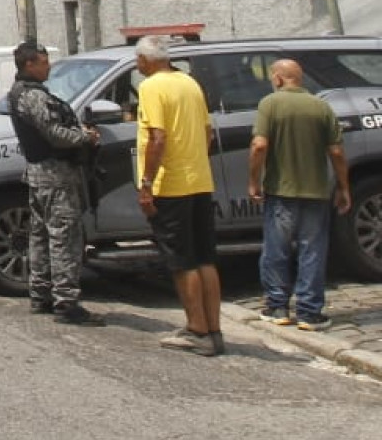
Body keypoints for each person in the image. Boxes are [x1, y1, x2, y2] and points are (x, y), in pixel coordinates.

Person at [134, 36, 223, 356]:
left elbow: (158, 137)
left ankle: (197, 329)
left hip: (171, 183)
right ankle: (213, 327)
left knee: (181, 259)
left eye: (138, 59)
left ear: (148, 59)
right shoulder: (189, 83)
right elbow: (206, 132)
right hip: (199, 179)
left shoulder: (151, 88)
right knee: (204, 257)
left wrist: (147, 183)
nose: (136, 64)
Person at [247, 58, 351, 331]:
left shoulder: (270, 104)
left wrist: (253, 180)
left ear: (279, 79)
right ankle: (309, 311)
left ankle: (277, 306)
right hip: (315, 190)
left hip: (281, 190)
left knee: (276, 250)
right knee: (312, 251)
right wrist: (344, 186)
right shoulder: (321, 107)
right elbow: (337, 152)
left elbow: (259, 145)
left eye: (272, 77)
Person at [6, 43, 105, 326]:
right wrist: (85, 138)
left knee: (40, 236)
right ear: (29, 66)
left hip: (42, 176)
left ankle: (41, 294)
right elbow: (54, 134)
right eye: (43, 62)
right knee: (64, 238)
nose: (48, 66)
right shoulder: (33, 96)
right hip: (55, 176)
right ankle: (66, 303)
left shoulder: (24, 93)